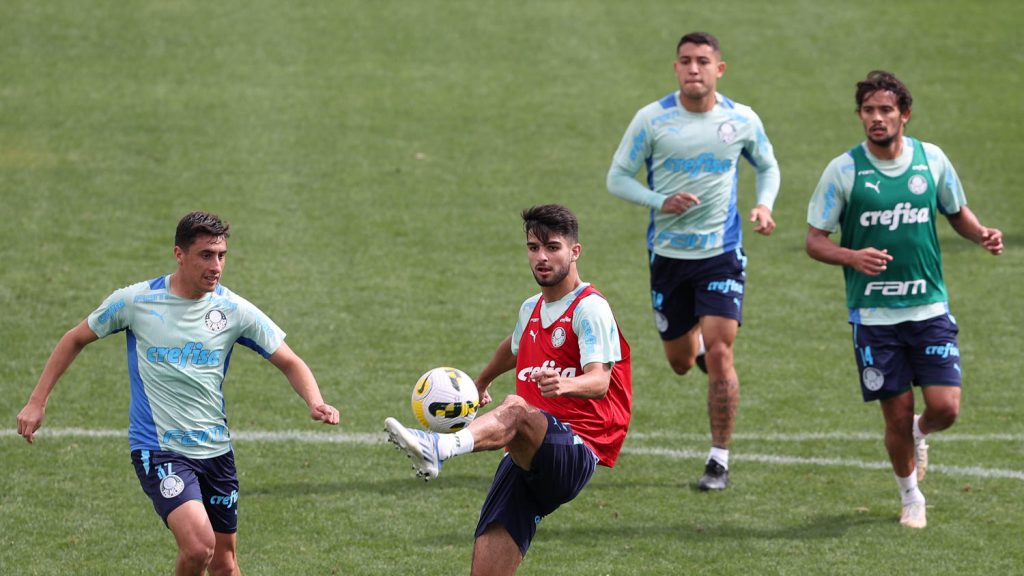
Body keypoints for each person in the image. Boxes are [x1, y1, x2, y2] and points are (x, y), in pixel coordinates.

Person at [16, 211, 341, 575]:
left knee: (224, 564)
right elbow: (75, 338)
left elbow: (290, 361)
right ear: (179, 254)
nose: (216, 265)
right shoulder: (136, 302)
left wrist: (315, 401)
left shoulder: (233, 310)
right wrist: (36, 402)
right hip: (159, 449)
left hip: (216, 451)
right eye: (206, 255)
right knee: (199, 546)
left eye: (222, 255)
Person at [384, 204, 631, 576]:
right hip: (527, 454)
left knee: (516, 407)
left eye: (553, 247)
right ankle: (441, 448)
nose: (542, 257)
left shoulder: (590, 308)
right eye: (534, 248)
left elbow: (600, 381)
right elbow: (513, 347)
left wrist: (566, 384)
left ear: (575, 251)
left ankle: (439, 447)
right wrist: (480, 382)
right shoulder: (531, 308)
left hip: (578, 448)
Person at [805, 71, 1003, 529]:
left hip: (929, 307)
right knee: (895, 415)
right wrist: (851, 256)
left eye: (886, 110)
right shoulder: (844, 170)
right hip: (874, 317)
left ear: (904, 115)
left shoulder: (930, 160)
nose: (877, 118)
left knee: (946, 408)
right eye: (869, 111)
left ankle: (921, 434)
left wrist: (981, 235)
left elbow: (954, 210)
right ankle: (911, 496)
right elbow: (815, 240)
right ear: (860, 116)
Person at [606, 31, 780, 490]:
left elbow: (768, 165)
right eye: (685, 61)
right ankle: (696, 346)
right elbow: (617, 178)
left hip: (721, 254)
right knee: (682, 361)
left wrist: (764, 204)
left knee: (723, 352)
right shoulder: (653, 120)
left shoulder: (740, 119)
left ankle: (718, 460)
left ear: (719, 69)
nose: (693, 69)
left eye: (703, 61)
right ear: (676, 68)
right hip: (668, 257)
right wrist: (659, 200)